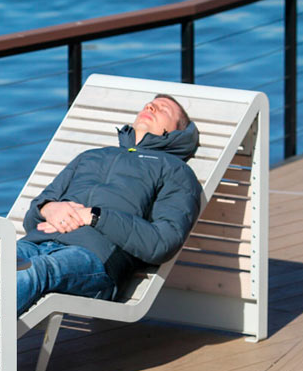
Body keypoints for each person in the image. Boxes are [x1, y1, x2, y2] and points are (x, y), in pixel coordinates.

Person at [16, 93, 202, 315]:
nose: (150, 107)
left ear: (176, 132)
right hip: (37, 242)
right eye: (149, 105)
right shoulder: (91, 156)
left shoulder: (175, 171)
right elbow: (31, 219)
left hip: (95, 258)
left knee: (34, 272)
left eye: (163, 109)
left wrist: (95, 216)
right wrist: (49, 208)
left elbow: (161, 243)